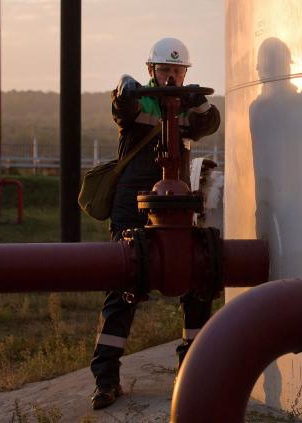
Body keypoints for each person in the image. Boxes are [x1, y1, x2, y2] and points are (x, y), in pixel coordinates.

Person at [90, 37, 220, 410]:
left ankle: (191, 372)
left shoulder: (188, 108)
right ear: (152, 71)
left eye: (178, 72)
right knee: (123, 286)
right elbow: (121, 108)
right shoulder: (139, 101)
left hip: (176, 205)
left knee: (197, 286)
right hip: (133, 205)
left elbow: (209, 123)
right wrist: (126, 87)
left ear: (185, 74)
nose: (171, 77)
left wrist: (199, 101)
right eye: (164, 70)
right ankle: (106, 380)